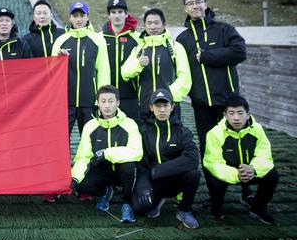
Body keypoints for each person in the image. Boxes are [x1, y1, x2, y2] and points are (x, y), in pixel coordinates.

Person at [175, 0, 246, 161]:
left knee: (234, 145)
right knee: (208, 149)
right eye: (190, 3)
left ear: (205, 4)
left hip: (227, 102)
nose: (195, 6)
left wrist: (208, 56)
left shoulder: (224, 29)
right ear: (185, 8)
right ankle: (215, 188)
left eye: (198, 2)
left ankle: (244, 185)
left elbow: (239, 52)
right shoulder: (182, 39)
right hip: (201, 104)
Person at [71, 85, 142, 223]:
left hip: (122, 173)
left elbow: (136, 152)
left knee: (129, 166)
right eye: (103, 101)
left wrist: (106, 153)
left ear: (118, 103)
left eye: (111, 101)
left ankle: (126, 203)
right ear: (97, 103)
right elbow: (83, 156)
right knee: (81, 185)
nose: (107, 105)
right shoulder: (90, 125)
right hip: (102, 171)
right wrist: (75, 178)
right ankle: (105, 192)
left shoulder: (130, 124)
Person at [204, 96, 279, 224]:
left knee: (272, 175)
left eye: (240, 113)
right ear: (225, 115)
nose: (236, 118)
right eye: (231, 113)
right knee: (212, 176)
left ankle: (258, 207)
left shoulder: (257, 129)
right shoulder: (214, 133)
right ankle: (216, 207)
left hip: (250, 171)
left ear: (248, 115)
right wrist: (235, 174)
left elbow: (264, 155)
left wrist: (253, 169)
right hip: (228, 172)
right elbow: (213, 162)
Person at [134, 88, 200, 229]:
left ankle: (184, 210)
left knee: (193, 174)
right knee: (139, 209)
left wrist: (158, 170)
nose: (162, 110)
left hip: (175, 180)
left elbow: (193, 158)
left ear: (172, 107)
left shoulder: (182, 131)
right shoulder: (143, 131)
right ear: (151, 108)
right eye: (158, 106)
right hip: (155, 181)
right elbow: (140, 162)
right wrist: (143, 186)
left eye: (166, 105)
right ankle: (158, 199)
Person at [121, 8, 191, 121]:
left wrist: (168, 96)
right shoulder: (139, 49)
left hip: (168, 107)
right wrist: (139, 64)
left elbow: (185, 77)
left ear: (164, 24)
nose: (153, 27)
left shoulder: (175, 47)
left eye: (156, 23)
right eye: (149, 23)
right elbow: (125, 73)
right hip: (145, 105)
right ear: (144, 26)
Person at [51, 1, 110, 134]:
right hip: (66, 102)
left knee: (90, 138)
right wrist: (59, 59)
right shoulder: (61, 41)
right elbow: (52, 72)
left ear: (87, 17)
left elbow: (103, 70)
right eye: (75, 16)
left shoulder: (97, 40)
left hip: (89, 102)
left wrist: (102, 99)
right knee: (60, 137)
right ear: (70, 17)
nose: (78, 19)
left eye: (82, 15)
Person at [101, 0, 140, 120]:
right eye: (113, 12)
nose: (117, 16)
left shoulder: (138, 38)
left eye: (120, 12)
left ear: (126, 14)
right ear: (108, 15)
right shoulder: (99, 38)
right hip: (107, 97)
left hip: (131, 95)